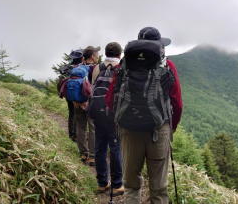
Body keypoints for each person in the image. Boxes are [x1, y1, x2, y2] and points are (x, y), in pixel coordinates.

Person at [106, 27, 183, 204]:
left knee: (131, 185)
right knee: (159, 188)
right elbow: (177, 102)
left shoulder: (123, 65)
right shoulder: (167, 66)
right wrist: (172, 126)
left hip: (129, 129)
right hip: (158, 130)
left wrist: (119, 123)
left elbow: (111, 98)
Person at [89, 42, 124, 195]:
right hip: (114, 113)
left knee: (100, 147)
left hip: (97, 112)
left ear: (105, 53)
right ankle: (117, 185)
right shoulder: (121, 68)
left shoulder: (97, 68)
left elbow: (92, 87)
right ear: (119, 54)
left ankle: (102, 183)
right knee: (115, 147)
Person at [74, 45, 99, 166]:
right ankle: (92, 157)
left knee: (81, 127)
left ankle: (83, 153)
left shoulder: (78, 67)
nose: (98, 56)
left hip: (78, 102)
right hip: (91, 102)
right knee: (93, 128)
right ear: (93, 56)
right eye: (97, 54)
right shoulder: (95, 68)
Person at [57, 49, 84, 142]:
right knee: (77, 113)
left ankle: (71, 134)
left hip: (68, 92)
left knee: (71, 113)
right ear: (81, 58)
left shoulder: (67, 67)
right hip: (77, 93)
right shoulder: (81, 68)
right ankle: (75, 135)